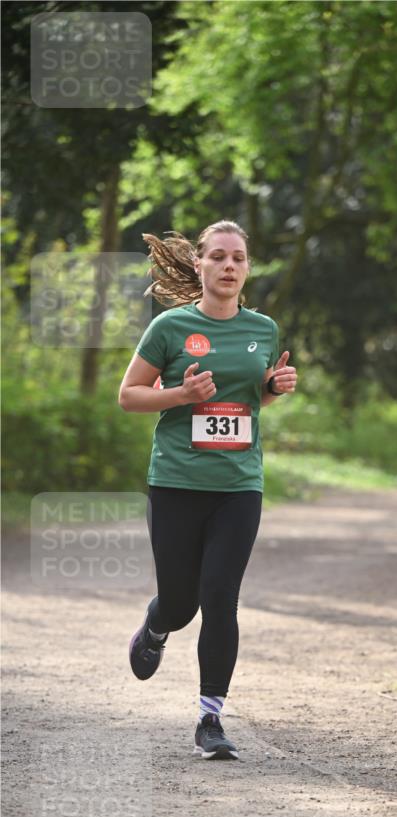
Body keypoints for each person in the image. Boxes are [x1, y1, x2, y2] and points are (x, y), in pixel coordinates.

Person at [118, 219, 297, 761]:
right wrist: (181, 393)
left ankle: (211, 718)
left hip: (238, 486)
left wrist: (273, 388)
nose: (228, 266)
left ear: (247, 268)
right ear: (198, 264)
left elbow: (248, 401)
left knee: (221, 598)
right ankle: (156, 626)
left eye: (238, 258)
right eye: (217, 256)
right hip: (175, 483)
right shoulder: (170, 328)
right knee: (181, 603)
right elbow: (129, 396)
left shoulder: (263, 329)